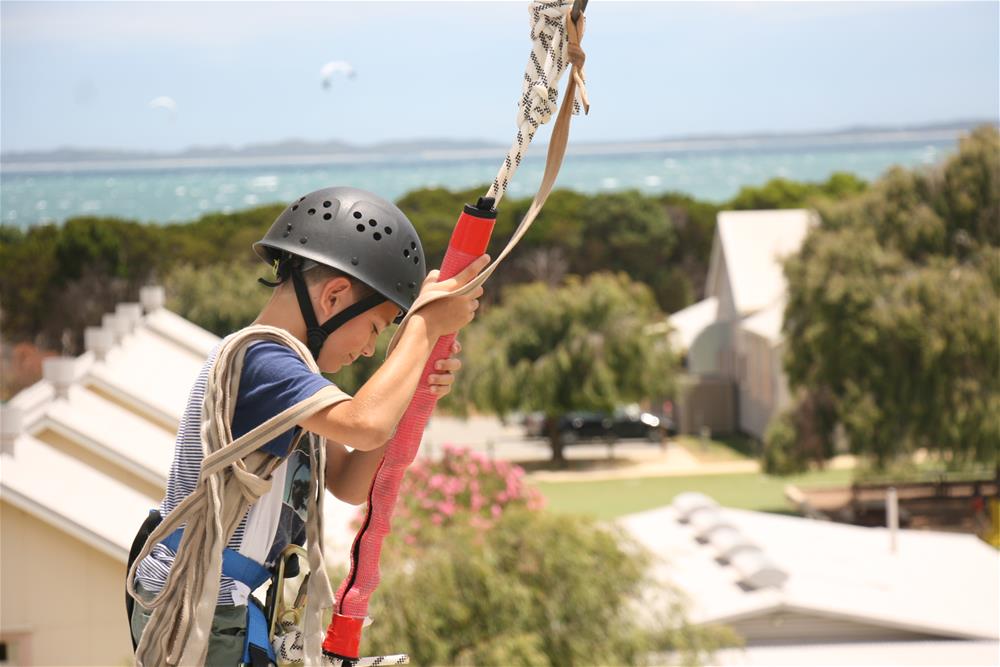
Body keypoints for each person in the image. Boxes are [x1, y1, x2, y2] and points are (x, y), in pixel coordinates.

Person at [128, 186, 487, 665]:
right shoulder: (259, 359)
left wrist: (413, 386)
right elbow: (365, 425)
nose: (367, 350)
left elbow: (349, 482)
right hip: (200, 603)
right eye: (378, 330)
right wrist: (422, 331)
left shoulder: (295, 379)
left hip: (221, 600)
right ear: (335, 296)